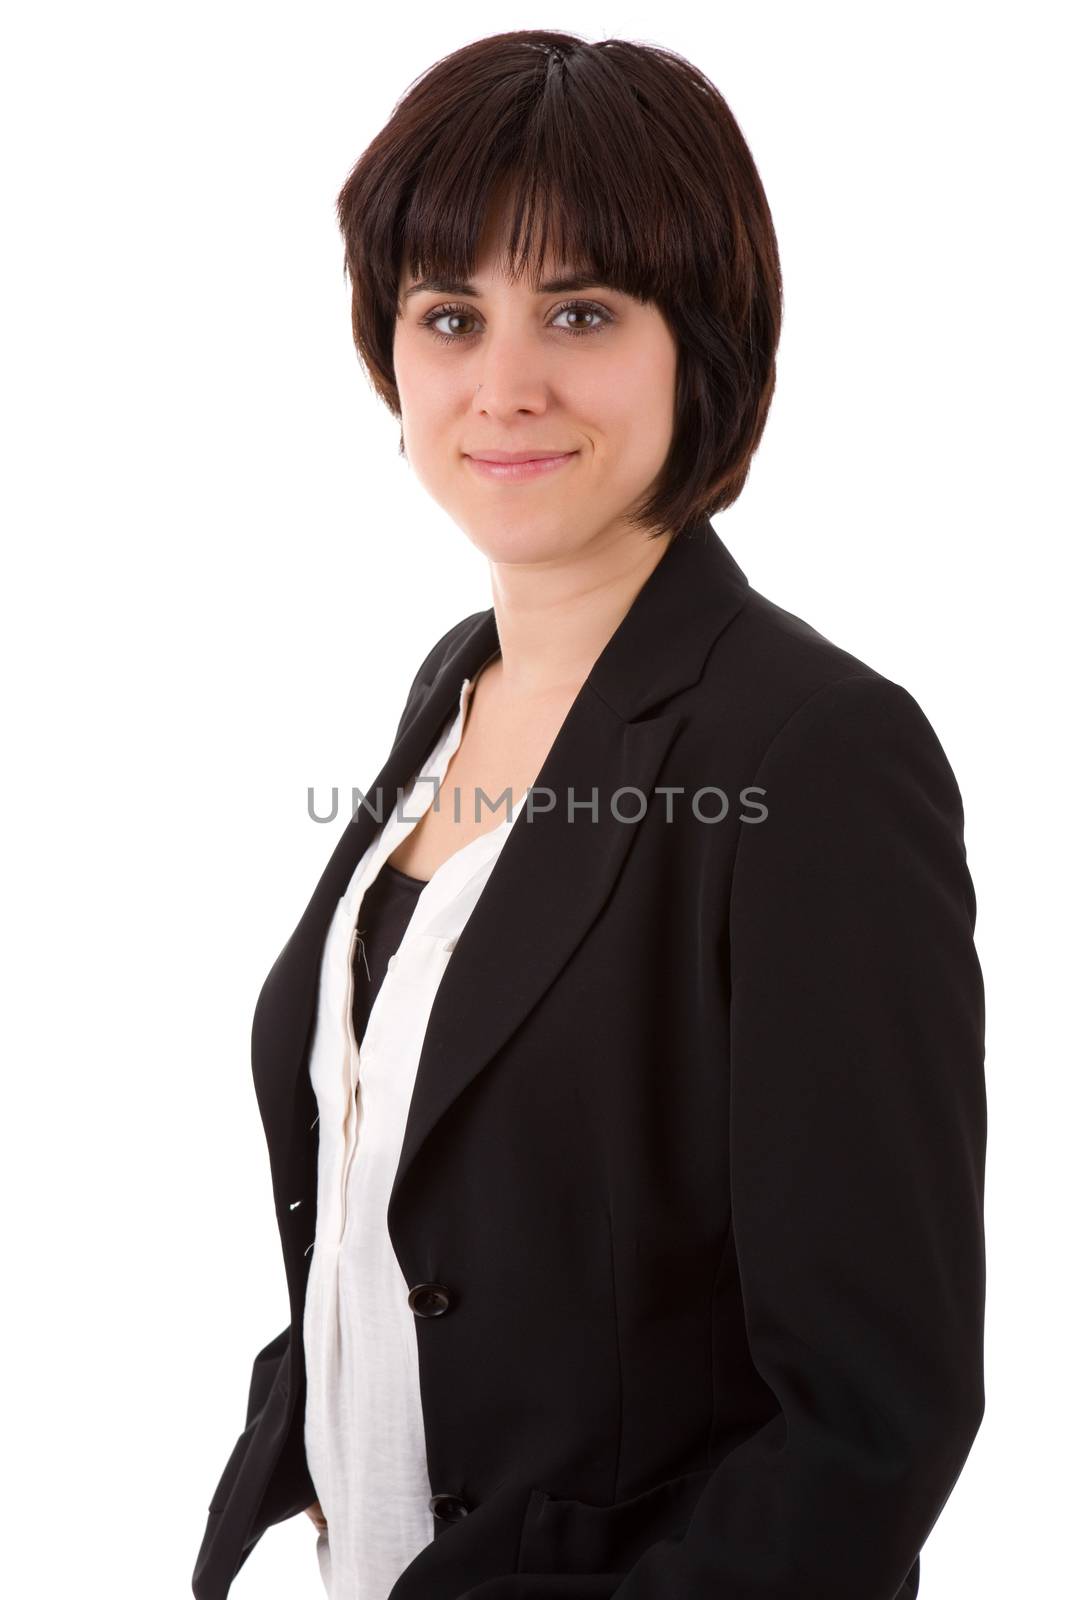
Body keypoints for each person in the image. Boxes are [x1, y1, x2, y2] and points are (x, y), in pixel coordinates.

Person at [192, 28, 986, 1600]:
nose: (503, 385)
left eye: (579, 310)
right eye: (447, 315)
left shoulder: (818, 752)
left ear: (705, 337)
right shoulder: (455, 689)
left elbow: (870, 1425)